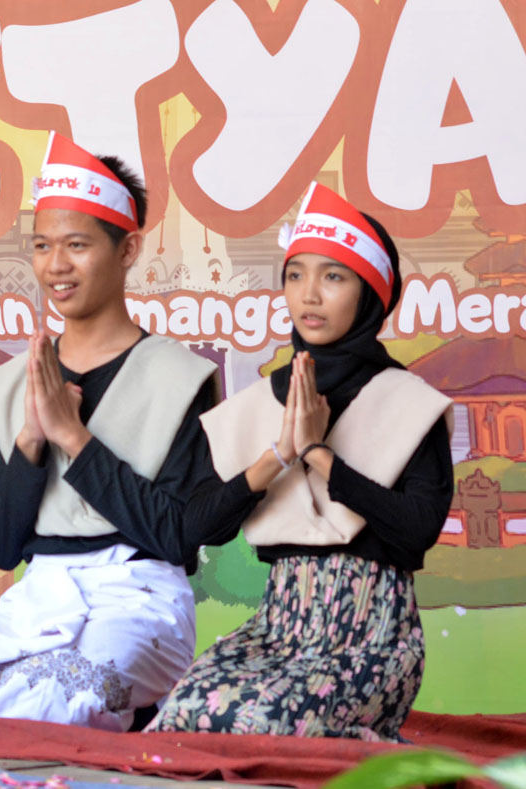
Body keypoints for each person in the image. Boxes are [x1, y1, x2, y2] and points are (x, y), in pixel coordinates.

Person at [0, 133, 220, 731]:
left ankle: (143, 709)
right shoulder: (12, 382)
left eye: (76, 245)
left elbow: (178, 536)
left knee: (43, 708)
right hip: (39, 594)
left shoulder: (182, 377)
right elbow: (0, 546)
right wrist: (30, 444)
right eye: (42, 245)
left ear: (128, 249)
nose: (55, 266)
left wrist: (75, 439)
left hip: (138, 597)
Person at [149, 183, 453, 740]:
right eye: (296, 275)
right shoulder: (262, 402)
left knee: (259, 720)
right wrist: (281, 453)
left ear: (371, 295)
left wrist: (320, 455)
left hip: (373, 635)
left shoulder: (411, 403)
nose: (309, 294)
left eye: (333, 277)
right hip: (277, 628)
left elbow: (418, 532)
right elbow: (197, 529)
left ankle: (363, 738)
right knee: (188, 711)